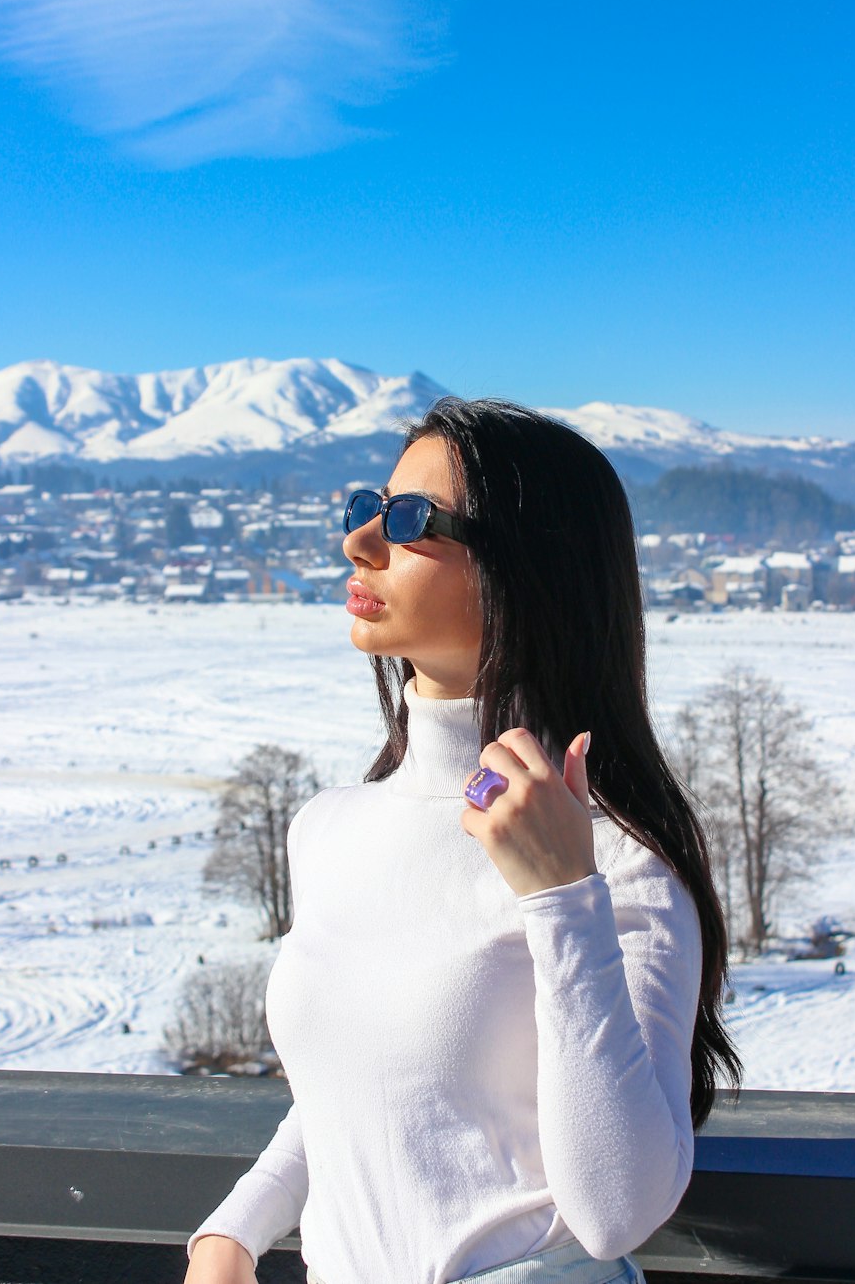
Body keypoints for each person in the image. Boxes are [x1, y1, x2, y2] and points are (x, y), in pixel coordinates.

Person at [183, 398, 740, 1284]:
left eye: (410, 521)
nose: (360, 543)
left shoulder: (615, 864)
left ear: (531, 569)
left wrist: (561, 897)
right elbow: (368, 1088)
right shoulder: (330, 830)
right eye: (367, 507)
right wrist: (234, 1229)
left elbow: (614, 1209)